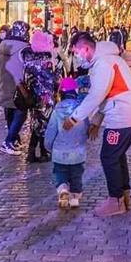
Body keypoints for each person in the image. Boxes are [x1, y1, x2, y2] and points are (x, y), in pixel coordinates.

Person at [63, 32, 131, 217]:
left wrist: (74, 118)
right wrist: (96, 121)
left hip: (122, 117)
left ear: (86, 48)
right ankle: (124, 196)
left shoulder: (103, 64)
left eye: (76, 52)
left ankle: (115, 200)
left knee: (108, 157)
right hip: (123, 114)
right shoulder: (107, 60)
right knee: (116, 156)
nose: (76, 56)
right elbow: (105, 96)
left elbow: (97, 95)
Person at [45, 77, 88, 208]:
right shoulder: (82, 110)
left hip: (59, 153)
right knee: (76, 176)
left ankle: (63, 190)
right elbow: (86, 130)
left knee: (60, 173)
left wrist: (48, 147)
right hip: (78, 153)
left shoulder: (56, 111)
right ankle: (75, 198)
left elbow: (51, 131)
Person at [20, 30, 59, 163]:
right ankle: (42, 151)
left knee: (36, 124)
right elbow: (54, 79)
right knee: (45, 124)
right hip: (46, 96)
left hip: (33, 97)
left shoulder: (28, 61)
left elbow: (26, 79)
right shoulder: (48, 61)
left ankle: (33, 152)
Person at [0, 21, 30, 155]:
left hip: (4, 83)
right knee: (21, 113)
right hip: (19, 84)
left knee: (9, 112)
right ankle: (9, 141)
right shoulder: (25, 47)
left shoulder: (1, 45)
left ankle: (14, 140)